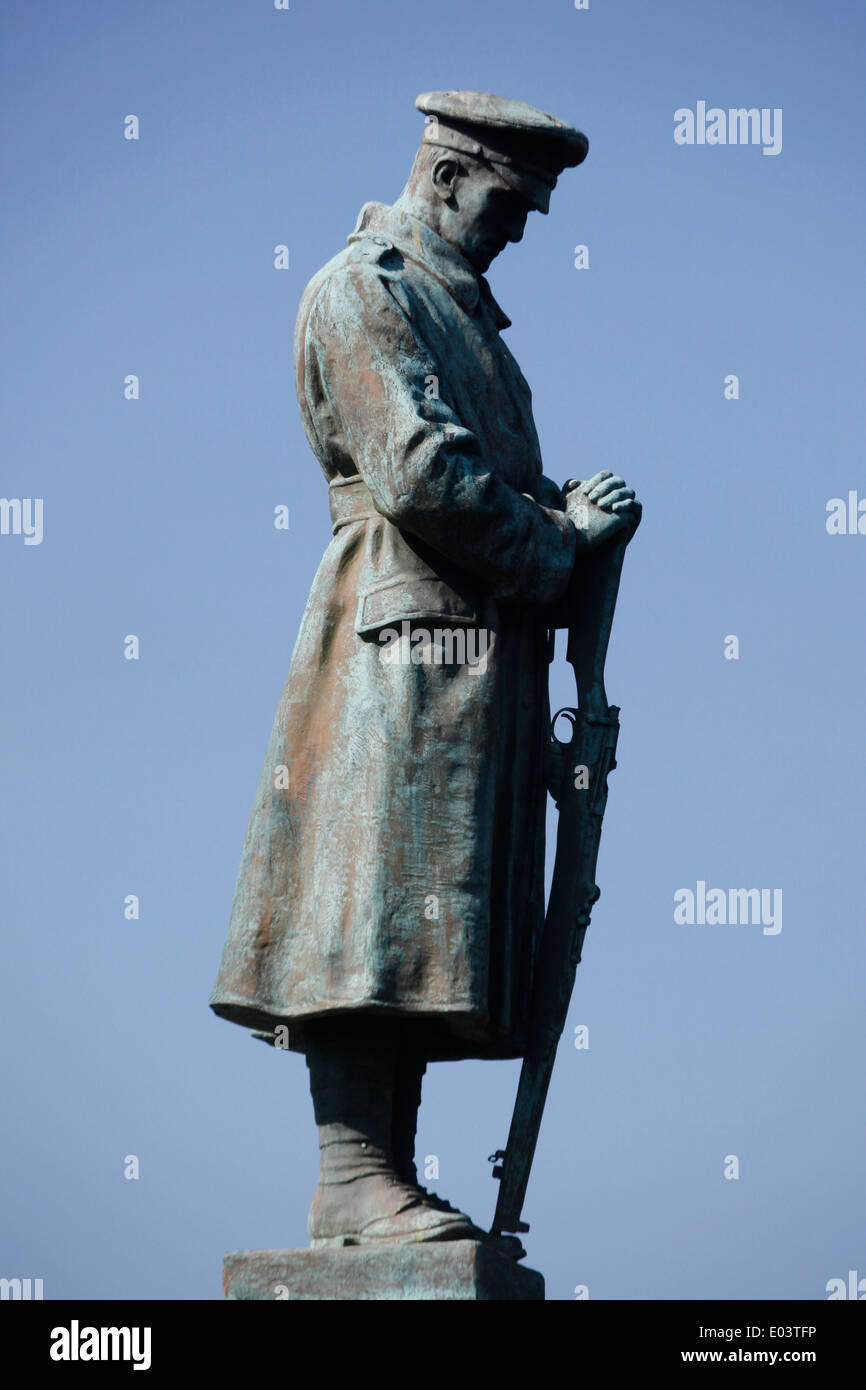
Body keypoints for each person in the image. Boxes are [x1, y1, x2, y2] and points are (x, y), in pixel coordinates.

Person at [209, 90, 641, 1249]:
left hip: (467, 656)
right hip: (396, 652)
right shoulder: (367, 290)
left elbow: (479, 478)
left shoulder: (470, 322)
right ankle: (352, 1175)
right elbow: (419, 472)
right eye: (508, 200)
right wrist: (556, 543)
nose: (519, 228)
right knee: (373, 908)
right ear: (446, 176)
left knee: (424, 925)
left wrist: (565, 516)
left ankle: (380, 1179)